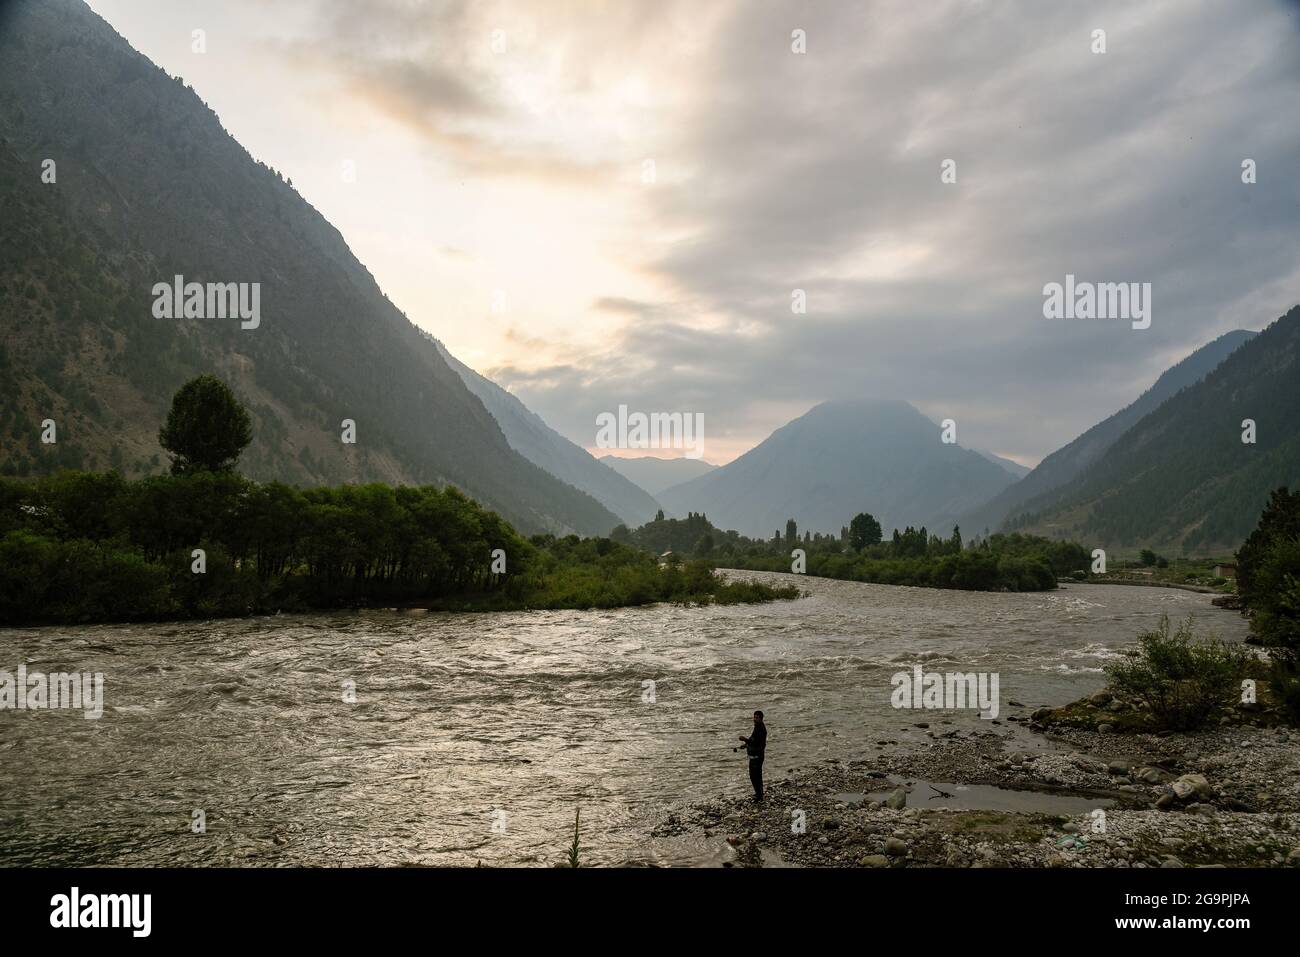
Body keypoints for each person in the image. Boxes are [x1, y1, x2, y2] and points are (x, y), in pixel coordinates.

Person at [738, 710, 767, 801]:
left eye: (757, 718)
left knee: (755, 776)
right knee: (755, 775)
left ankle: (759, 796)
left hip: (757, 756)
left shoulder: (761, 729)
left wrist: (744, 739)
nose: (754, 719)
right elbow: (753, 740)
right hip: (755, 755)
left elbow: (755, 742)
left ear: (761, 719)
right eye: (754, 717)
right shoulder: (757, 727)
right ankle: (759, 794)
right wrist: (746, 745)